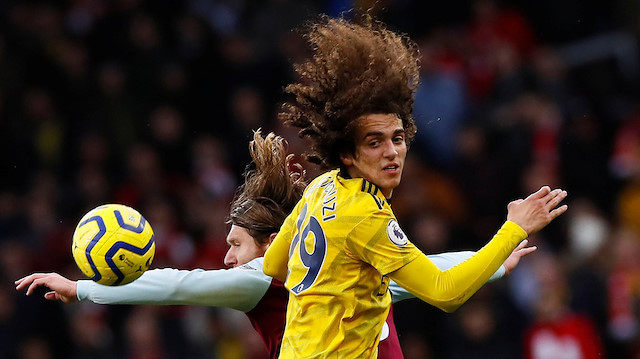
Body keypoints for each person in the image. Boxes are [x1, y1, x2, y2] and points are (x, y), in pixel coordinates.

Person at [15, 130, 534, 358]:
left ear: (269, 243)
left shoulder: (260, 280)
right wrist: (493, 262)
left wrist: (83, 289)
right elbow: (427, 272)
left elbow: (177, 285)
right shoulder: (350, 266)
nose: (227, 257)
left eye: (236, 243)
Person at [262, 15, 568, 358]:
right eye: (374, 143)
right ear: (347, 153)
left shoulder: (320, 187)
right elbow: (444, 292)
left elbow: (274, 265)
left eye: (397, 138)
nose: (392, 152)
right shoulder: (364, 215)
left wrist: (491, 264)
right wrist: (515, 227)